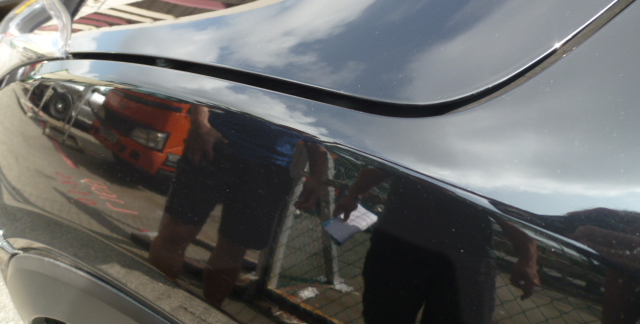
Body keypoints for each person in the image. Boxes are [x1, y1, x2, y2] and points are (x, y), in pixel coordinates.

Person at [150, 104, 327, 306]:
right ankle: (152, 302)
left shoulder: (321, 85)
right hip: (216, 146)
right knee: (177, 232)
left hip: (270, 168)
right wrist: (200, 125)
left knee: (233, 250)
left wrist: (317, 176)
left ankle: (203, 311)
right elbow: (209, 86)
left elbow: (318, 127)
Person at [334, 167, 540, 324]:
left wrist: (528, 253)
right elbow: (384, 164)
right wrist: (354, 195)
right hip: (416, 245)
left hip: (446, 251)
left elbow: (508, 198)